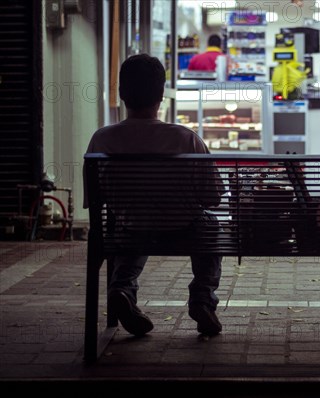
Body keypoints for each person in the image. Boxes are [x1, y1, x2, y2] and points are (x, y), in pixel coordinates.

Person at [83, 54, 225, 337]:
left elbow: (94, 200)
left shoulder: (101, 139)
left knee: (129, 223)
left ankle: (122, 289)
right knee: (210, 223)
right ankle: (202, 299)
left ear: (122, 93)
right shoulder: (185, 138)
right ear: (162, 95)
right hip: (183, 229)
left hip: (131, 229)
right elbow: (213, 197)